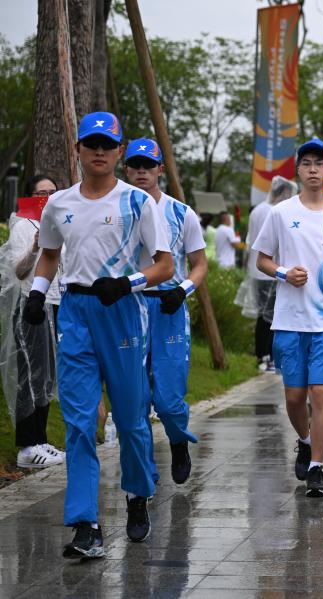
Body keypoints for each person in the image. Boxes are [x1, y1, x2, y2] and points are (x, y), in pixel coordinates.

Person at [23, 112, 173, 559]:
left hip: (122, 310)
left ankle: (137, 494)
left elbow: (164, 264)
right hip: (76, 312)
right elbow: (50, 255)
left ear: (119, 150)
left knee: (129, 420)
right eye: (92, 144)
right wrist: (36, 292)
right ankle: (86, 523)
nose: (101, 152)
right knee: (81, 422)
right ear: (80, 150)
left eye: (108, 144)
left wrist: (128, 283)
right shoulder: (60, 203)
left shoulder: (137, 203)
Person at [253, 138, 323, 497]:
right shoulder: (280, 213)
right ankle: (304, 438)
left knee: (320, 392)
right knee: (296, 396)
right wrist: (284, 273)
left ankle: (317, 466)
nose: (315, 170)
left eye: (321, 164)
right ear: (298, 170)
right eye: (308, 163)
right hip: (289, 319)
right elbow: (262, 259)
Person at [123, 137, 208, 485]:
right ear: (125, 168)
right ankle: (145, 471)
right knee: (136, 398)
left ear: (160, 169)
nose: (142, 171)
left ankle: (177, 440)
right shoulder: (117, 209)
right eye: (135, 165)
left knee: (169, 400)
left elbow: (200, 264)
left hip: (168, 306)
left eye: (149, 166)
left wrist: (183, 289)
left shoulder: (181, 213)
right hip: (130, 305)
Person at [0, 175, 64, 468]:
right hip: (30, 306)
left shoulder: (62, 224)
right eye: (41, 193)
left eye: (52, 192)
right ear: (30, 196)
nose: (47, 197)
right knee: (30, 374)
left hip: (56, 305)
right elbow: (19, 271)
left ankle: (40, 440)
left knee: (46, 376)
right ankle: (27, 447)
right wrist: (37, 245)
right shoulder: (23, 227)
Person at [244, 176, 298, 372]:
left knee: (264, 315)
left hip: (257, 270)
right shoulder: (275, 212)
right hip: (271, 271)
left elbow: (250, 241)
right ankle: (266, 356)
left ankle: (263, 356)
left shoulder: (257, 210)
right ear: (283, 193)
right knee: (271, 317)